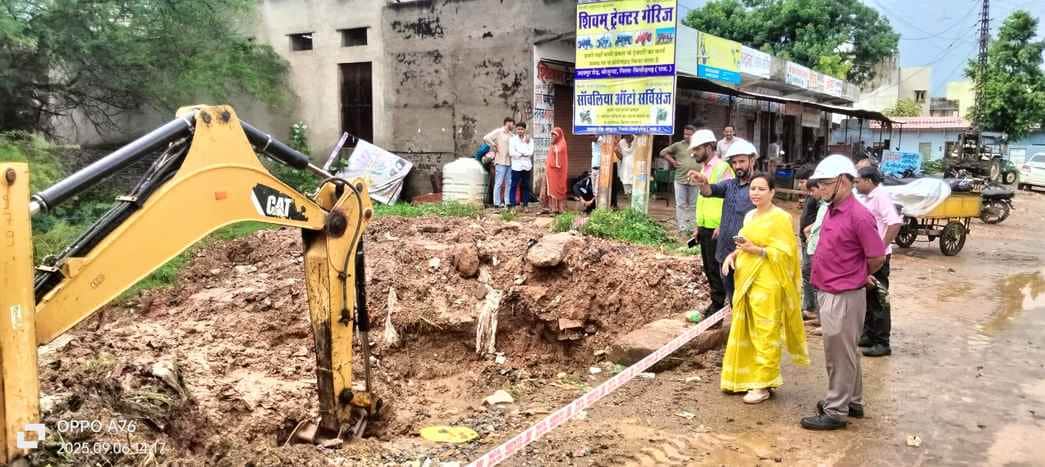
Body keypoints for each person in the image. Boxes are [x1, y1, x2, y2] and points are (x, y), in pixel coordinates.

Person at [800, 154, 886, 431]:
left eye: (825, 184)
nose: (821, 189)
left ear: (843, 182)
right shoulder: (832, 209)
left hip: (844, 292)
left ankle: (836, 410)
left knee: (838, 353)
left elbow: (876, 257)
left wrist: (858, 275)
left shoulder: (859, 216)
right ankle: (853, 401)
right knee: (847, 351)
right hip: (829, 288)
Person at [719, 173, 810, 403]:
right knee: (745, 327)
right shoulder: (749, 215)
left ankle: (763, 384)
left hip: (769, 281)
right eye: (752, 189)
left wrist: (757, 251)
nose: (755, 193)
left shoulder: (781, 218)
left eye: (761, 189)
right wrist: (733, 255)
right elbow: (743, 243)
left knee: (765, 332)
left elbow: (786, 253)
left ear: (772, 192)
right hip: (745, 278)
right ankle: (743, 378)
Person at [690, 139, 758, 306]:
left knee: (748, 298)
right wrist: (702, 182)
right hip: (724, 251)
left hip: (746, 253)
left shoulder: (758, 186)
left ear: (752, 160)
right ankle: (735, 326)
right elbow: (709, 191)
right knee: (733, 296)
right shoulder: (730, 185)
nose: (738, 166)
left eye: (742, 161)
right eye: (734, 162)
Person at [854, 166, 902, 357]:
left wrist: (881, 248)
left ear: (869, 181)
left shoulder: (880, 196)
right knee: (869, 297)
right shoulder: (868, 197)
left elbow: (894, 223)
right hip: (869, 256)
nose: (856, 184)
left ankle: (883, 342)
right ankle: (869, 335)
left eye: (859, 181)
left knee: (879, 299)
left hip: (879, 257)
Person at [688, 129, 733, 315]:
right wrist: (699, 226)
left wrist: (722, 225)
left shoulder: (723, 168)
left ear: (708, 147)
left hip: (717, 228)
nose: (694, 153)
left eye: (697, 149)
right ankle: (717, 303)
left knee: (718, 268)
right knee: (709, 267)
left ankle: (722, 305)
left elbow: (730, 198)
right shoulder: (704, 169)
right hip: (706, 227)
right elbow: (703, 199)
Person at [658, 125, 700, 235]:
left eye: (690, 134)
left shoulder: (699, 145)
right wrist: (672, 162)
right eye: (685, 134)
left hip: (696, 179)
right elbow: (662, 152)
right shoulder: (678, 145)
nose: (687, 136)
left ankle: (692, 228)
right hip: (680, 179)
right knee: (680, 204)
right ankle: (682, 228)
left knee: (694, 205)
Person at [799, 179, 825, 322]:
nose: (811, 193)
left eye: (812, 190)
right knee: (810, 275)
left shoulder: (826, 204)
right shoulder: (821, 203)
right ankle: (816, 312)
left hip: (817, 246)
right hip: (810, 243)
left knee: (817, 280)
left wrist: (810, 231)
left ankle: (820, 316)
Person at [484, 117, 515, 208]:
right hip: (500, 161)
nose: (513, 126)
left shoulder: (511, 135)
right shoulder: (498, 132)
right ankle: (496, 203)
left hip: (509, 162)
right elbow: (486, 138)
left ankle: (507, 201)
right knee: (499, 183)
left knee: (508, 182)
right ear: (507, 123)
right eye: (512, 124)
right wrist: (493, 144)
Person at [508, 122, 535, 210]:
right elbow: (512, 153)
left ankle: (525, 205)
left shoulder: (529, 140)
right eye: (518, 129)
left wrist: (519, 153)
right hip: (516, 167)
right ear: (516, 130)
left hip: (526, 166)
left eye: (522, 129)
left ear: (524, 130)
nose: (520, 131)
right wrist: (523, 153)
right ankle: (512, 205)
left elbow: (530, 152)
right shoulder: (512, 140)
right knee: (514, 186)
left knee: (526, 186)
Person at [545, 127, 569, 213]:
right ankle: (553, 208)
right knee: (552, 189)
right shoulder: (552, 145)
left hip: (560, 171)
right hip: (551, 171)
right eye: (552, 135)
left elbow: (558, 151)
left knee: (560, 189)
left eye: (554, 135)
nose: (552, 136)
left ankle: (561, 208)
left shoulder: (562, 143)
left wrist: (553, 144)